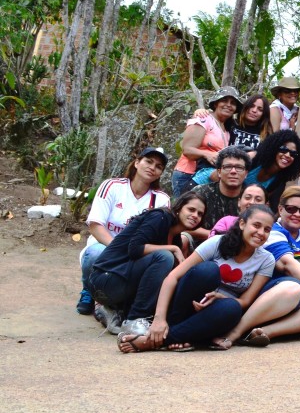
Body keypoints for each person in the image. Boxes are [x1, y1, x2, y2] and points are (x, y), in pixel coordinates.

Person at [117, 205, 276, 353]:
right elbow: (172, 277)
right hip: (185, 304)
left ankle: (154, 341)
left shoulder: (266, 260)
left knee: (233, 308)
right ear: (242, 224)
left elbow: (246, 301)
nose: (261, 232)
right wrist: (160, 319)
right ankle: (174, 329)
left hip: (215, 312)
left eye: (267, 229)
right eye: (256, 225)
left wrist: (221, 297)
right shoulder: (217, 243)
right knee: (208, 270)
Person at [217, 186, 300, 348]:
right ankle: (237, 331)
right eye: (291, 209)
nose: (297, 214)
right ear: (280, 209)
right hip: (270, 296)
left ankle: (265, 332)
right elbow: (286, 263)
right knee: (293, 287)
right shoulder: (270, 230)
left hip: (299, 302)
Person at [89, 193, 207, 335]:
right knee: (164, 257)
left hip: (121, 285)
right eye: (191, 209)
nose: (195, 216)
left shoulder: (175, 237)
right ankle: (135, 319)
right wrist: (173, 249)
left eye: (200, 214)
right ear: (179, 208)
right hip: (105, 280)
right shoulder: (160, 217)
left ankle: (117, 311)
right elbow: (135, 249)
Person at [77, 147, 170, 315]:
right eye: (148, 161)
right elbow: (95, 224)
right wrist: (118, 250)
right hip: (104, 245)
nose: (152, 167)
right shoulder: (112, 186)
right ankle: (89, 290)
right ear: (136, 162)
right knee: (95, 254)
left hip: (136, 253)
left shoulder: (161, 199)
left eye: (158, 166)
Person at [172, 86, 239, 197]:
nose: (228, 105)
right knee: (183, 210)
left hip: (209, 175)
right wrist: (206, 154)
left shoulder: (228, 128)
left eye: (233, 103)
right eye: (224, 100)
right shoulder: (204, 119)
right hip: (187, 174)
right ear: (216, 103)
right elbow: (187, 149)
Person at [187, 146, 250, 244]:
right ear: (219, 172)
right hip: (200, 247)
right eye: (228, 167)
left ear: (246, 173)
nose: (233, 171)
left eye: (239, 168)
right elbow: (183, 225)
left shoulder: (251, 197)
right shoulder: (201, 192)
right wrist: (217, 236)